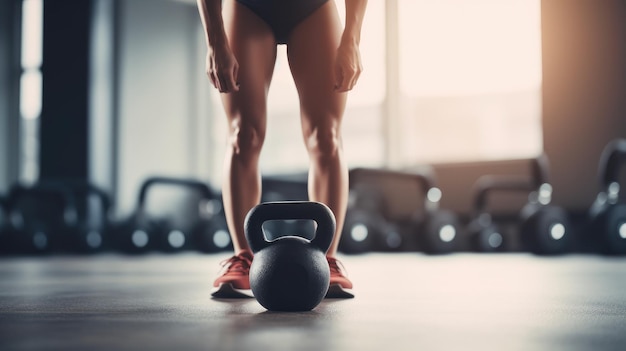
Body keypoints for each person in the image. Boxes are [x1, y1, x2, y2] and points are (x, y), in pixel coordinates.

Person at [196, 0, 367, 298]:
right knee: (243, 135)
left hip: (313, 8)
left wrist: (351, 38)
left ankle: (327, 259)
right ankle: (244, 256)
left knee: (325, 136)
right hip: (250, 7)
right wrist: (214, 40)